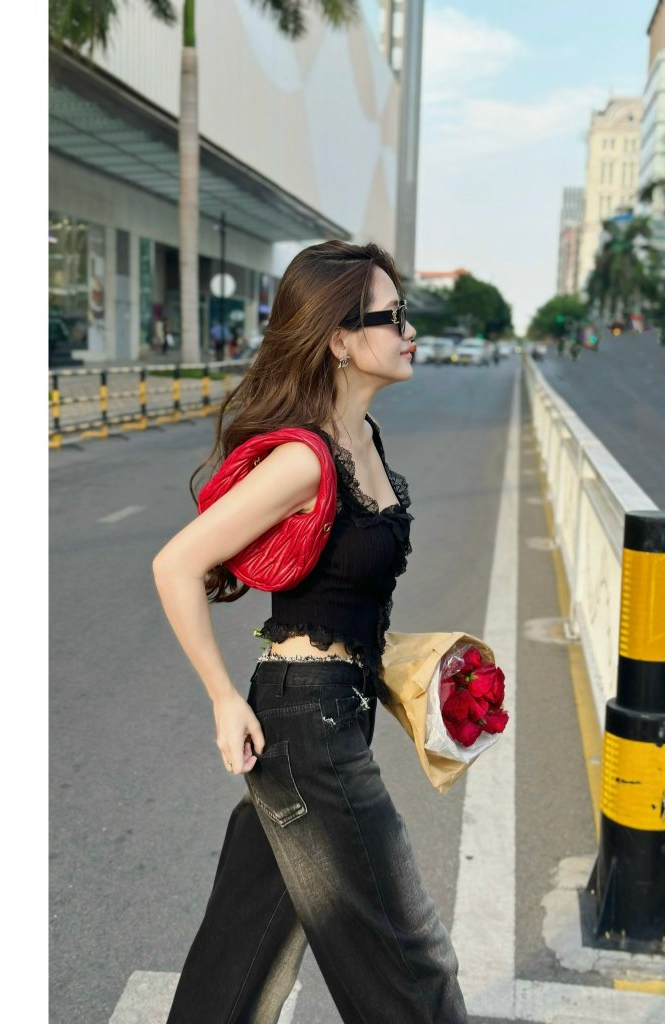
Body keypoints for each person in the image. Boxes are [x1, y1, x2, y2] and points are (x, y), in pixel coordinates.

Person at [152, 240, 467, 1023]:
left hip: (336, 709)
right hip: (306, 725)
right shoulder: (305, 459)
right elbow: (176, 564)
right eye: (393, 317)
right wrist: (223, 698)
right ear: (340, 339)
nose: (410, 332)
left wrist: (409, 663)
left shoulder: (367, 439)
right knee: (409, 953)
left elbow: (342, 595)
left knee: (243, 953)